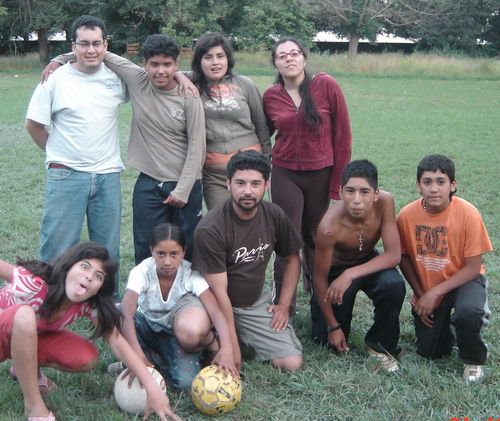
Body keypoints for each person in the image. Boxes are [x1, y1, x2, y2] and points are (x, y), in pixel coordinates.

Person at [45, 34, 206, 264]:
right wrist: (61, 58)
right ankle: (146, 296)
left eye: (168, 65)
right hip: (150, 182)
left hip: (186, 183)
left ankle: (187, 295)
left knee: (186, 245)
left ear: (176, 65)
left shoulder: (188, 95)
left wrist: (182, 190)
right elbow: (98, 52)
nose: (161, 71)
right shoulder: (138, 80)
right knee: (146, 244)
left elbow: (197, 147)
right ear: (144, 64)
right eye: (155, 64)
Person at [0, 242, 181, 421]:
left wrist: (151, 386)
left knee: (86, 357)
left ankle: (24, 368)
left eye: (98, 276)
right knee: (25, 315)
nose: (88, 277)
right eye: (84, 267)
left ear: (98, 289)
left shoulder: (86, 304)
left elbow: (116, 340)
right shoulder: (33, 282)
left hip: (23, 339)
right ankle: (34, 406)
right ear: (68, 266)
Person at [25, 15, 128, 297]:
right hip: (66, 174)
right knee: (57, 245)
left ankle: (105, 305)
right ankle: (46, 303)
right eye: (84, 44)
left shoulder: (116, 78)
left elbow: (152, 76)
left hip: (107, 175)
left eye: (97, 43)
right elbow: (33, 124)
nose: (91, 50)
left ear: (106, 45)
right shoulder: (55, 79)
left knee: (107, 248)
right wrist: (57, 153)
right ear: (74, 46)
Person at [191, 150, 303, 371]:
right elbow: (220, 295)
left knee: (291, 363)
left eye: (255, 184)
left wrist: (283, 304)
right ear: (228, 184)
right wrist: (232, 347)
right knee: (192, 333)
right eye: (240, 183)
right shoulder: (211, 228)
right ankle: (213, 342)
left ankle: (235, 336)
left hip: (251, 305)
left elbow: (292, 259)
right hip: (211, 304)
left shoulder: (274, 215)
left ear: (267, 184)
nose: (248, 191)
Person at [263, 37, 352, 310]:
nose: (289, 59)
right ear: (276, 63)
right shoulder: (270, 96)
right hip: (285, 174)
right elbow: (262, 135)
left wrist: (337, 185)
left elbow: (343, 136)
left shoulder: (326, 85)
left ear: (304, 58)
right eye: (282, 56)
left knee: (315, 237)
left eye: (294, 53)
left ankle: (318, 300)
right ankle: (283, 306)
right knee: (288, 239)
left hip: (320, 174)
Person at [396, 154, 493, 382]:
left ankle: (474, 359)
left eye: (441, 181)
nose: (434, 188)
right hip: (429, 285)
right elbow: (403, 257)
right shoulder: (406, 215)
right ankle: (451, 328)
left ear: (453, 185)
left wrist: (434, 293)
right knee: (430, 352)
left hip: (464, 280)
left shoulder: (468, 214)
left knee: (468, 313)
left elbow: (472, 267)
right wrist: (421, 295)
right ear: (418, 185)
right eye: (427, 181)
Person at [115, 223, 237, 390]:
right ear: (152, 251)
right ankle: (142, 356)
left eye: (174, 254)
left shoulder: (190, 273)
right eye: (160, 254)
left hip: (174, 334)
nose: (167, 261)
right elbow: (126, 314)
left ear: (183, 252)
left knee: (186, 383)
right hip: (145, 326)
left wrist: (226, 347)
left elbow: (215, 311)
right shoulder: (141, 272)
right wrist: (136, 353)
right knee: (114, 314)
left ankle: (155, 357)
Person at [312, 160, 405, 372]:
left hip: (366, 260)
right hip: (334, 271)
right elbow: (318, 278)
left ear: (376, 193)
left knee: (393, 285)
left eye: (364, 192)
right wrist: (333, 327)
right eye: (350, 191)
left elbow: (393, 255)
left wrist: (351, 274)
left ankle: (380, 346)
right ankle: (333, 324)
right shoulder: (328, 227)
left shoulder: (385, 202)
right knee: (325, 340)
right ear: (340, 191)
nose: (356, 200)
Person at [187, 32, 271, 210]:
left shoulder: (245, 84)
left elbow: (262, 127)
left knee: (250, 221)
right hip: (214, 176)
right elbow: (168, 73)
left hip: (250, 171)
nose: (215, 62)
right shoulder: (192, 86)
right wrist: (180, 76)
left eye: (220, 56)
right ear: (199, 61)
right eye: (208, 57)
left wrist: (265, 163)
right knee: (221, 222)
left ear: (228, 58)